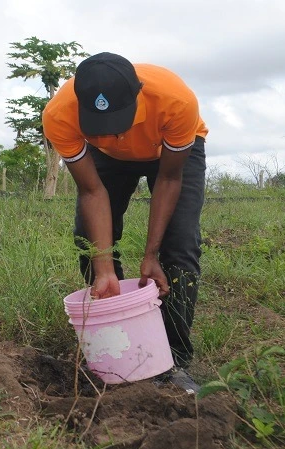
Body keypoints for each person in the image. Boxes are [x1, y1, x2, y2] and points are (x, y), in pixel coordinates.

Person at [42, 52, 208, 393]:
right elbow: (92, 191)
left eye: (118, 120)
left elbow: (170, 179)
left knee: (179, 249)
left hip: (169, 153)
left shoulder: (176, 101)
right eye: (100, 123)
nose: (114, 132)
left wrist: (152, 254)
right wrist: (103, 266)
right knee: (89, 243)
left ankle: (172, 359)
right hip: (107, 160)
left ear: (139, 93)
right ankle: (117, 346)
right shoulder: (59, 114)